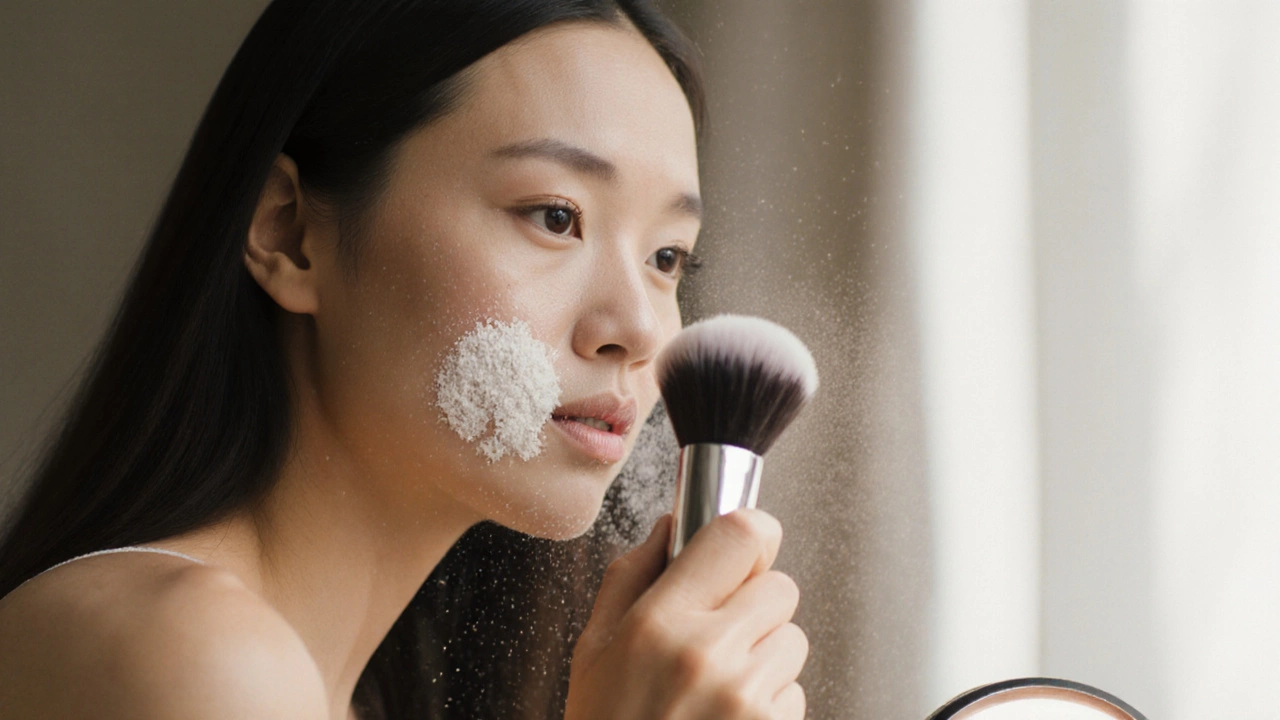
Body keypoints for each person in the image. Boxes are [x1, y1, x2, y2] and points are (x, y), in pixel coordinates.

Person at [0, 1, 808, 718]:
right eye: (555, 217)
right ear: (289, 231)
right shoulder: (189, 656)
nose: (637, 329)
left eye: (667, 258)